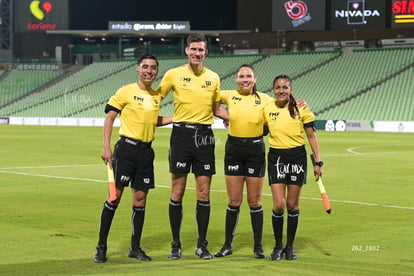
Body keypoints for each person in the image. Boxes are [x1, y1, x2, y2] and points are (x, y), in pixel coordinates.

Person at [93, 54, 172, 263]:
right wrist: (106, 146)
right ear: (138, 69)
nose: (149, 70)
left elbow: (154, 120)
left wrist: (176, 117)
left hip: (146, 152)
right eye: (145, 66)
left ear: (157, 72)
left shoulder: (156, 96)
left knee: (140, 200)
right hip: (126, 150)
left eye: (153, 68)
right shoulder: (126, 91)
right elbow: (110, 117)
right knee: (114, 197)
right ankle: (101, 246)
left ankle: (135, 248)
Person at [158, 33, 228, 259]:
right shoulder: (173, 75)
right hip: (181, 136)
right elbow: (154, 99)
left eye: (201, 50)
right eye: (194, 49)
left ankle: (202, 245)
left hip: (205, 137)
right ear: (187, 51)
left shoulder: (214, 78)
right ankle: (176, 244)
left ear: (206, 52)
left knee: (203, 192)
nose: (197, 53)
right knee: (177, 191)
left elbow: (217, 109)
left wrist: (237, 116)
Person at [214, 65, 274, 259]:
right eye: (241, 76)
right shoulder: (230, 95)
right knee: (233, 201)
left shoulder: (265, 99)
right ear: (236, 79)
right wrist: (227, 116)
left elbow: (283, 108)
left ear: (255, 79)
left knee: (254, 201)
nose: (245, 79)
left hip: (255, 150)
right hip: (234, 149)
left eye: (248, 76)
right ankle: (227, 245)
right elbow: (211, 99)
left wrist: (301, 103)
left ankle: (258, 247)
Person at [263, 75, 323, 261]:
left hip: (297, 157)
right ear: (273, 90)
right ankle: (278, 245)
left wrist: (317, 162)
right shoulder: (267, 108)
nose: (281, 90)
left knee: (292, 205)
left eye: (285, 87)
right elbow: (261, 128)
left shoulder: (302, 109)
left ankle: (289, 247)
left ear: (290, 89)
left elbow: (312, 137)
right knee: (279, 205)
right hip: (276, 157)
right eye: (278, 87)